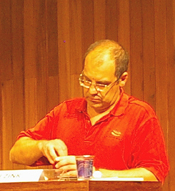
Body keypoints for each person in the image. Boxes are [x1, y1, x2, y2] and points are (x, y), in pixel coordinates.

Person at [9, 39, 169, 183]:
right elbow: (16, 153)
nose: (92, 90)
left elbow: (154, 174)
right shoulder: (66, 111)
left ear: (122, 79)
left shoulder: (140, 115)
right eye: (86, 80)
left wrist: (95, 175)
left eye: (101, 84)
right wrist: (42, 146)